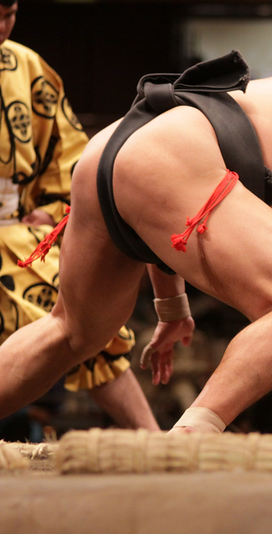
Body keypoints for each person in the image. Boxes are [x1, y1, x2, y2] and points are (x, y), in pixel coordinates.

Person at [0, 50, 272, 433]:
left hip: (114, 146)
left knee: (73, 330)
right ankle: (192, 436)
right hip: (176, 146)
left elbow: (164, 200)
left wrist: (172, 306)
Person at [0, 0, 158, 432]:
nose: (2, 26)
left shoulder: (27, 66)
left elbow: (70, 154)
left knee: (91, 326)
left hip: (12, 232)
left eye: (9, 14)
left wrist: (50, 211)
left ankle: (156, 441)